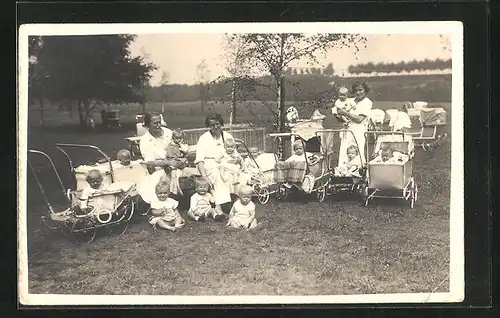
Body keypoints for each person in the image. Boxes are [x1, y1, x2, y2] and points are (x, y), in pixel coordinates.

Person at [194, 113, 234, 216]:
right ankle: (220, 205)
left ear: (221, 124)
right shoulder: (204, 138)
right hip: (209, 164)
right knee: (218, 175)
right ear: (208, 126)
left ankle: (235, 202)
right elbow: (200, 160)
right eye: (212, 125)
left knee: (231, 173)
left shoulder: (227, 136)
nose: (216, 127)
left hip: (226, 162)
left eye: (217, 124)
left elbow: (233, 152)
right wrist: (204, 176)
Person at [336, 82, 373, 165]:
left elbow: (359, 119)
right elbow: (339, 113)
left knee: (357, 152)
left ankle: (358, 173)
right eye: (356, 90)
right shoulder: (350, 100)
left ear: (365, 90)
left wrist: (345, 113)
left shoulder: (367, 102)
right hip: (346, 130)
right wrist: (340, 117)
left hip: (358, 131)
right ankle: (343, 174)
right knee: (344, 152)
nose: (358, 92)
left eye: (360, 90)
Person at [165, 128, 190, 195]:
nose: (179, 140)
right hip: (172, 161)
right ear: (173, 138)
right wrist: (179, 158)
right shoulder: (170, 146)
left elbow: (183, 154)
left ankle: (176, 188)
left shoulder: (179, 145)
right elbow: (170, 156)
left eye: (180, 138)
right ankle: (174, 188)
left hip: (178, 162)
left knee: (183, 166)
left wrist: (184, 152)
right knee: (174, 174)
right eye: (177, 138)